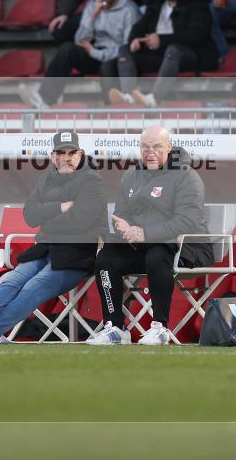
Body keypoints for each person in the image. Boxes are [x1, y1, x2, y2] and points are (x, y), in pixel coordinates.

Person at [0, 131, 108, 341]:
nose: (66, 158)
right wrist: (61, 207)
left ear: (81, 154)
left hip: (77, 256)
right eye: (61, 152)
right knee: (12, 279)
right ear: (53, 156)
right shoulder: (46, 179)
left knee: (34, 286)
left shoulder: (92, 183)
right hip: (46, 249)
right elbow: (30, 215)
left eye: (72, 153)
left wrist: (48, 214)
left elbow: (80, 221)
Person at [87, 125, 214, 345]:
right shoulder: (132, 174)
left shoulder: (187, 176)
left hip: (182, 247)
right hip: (140, 245)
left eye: (157, 146)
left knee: (156, 253)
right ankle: (115, 327)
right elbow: (120, 215)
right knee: (106, 257)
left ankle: (160, 328)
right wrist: (125, 229)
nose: (150, 151)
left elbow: (187, 221)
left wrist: (145, 233)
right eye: (145, 146)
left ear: (169, 147)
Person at [21, 0, 140, 108]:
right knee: (68, 49)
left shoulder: (129, 11)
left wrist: (95, 52)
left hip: (117, 60)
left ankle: (112, 113)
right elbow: (80, 40)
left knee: (108, 66)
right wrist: (93, 16)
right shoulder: (92, 6)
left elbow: (126, 49)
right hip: (96, 53)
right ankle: (46, 100)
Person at [107, 0, 216, 107]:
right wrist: (134, 39)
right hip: (158, 56)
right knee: (124, 50)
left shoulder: (197, 4)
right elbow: (139, 27)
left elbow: (197, 35)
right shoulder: (156, 3)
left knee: (173, 49)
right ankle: (130, 97)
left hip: (188, 55)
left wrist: (162, 40)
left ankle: (154, 99)